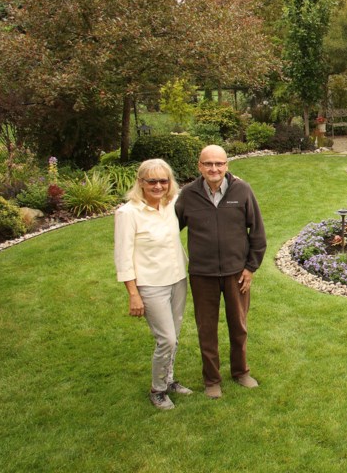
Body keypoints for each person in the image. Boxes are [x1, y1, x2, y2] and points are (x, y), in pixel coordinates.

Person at [176, 145, 267, 399]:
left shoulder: (242, 190)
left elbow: (257, 233)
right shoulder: (188, 195)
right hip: (202, 274)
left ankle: (240, 372)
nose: (213, 169)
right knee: (207, 329)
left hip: (236, 273)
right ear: (199, 166)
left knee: (238, 325)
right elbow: (170, 230)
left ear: (227, 165)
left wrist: (250, 268)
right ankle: (212, 380)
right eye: (208, 164)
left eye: (219, 163)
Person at [114, 159, 192, 411]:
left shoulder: (171, 204)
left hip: (178, 278)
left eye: (163, 180)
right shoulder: (128, 213)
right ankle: (157, 390)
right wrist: (133, 294)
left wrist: (233, 181)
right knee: (166, 339)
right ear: (141, 183)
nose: (158, 186)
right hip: (151, 284)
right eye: (152, 181)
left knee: (175, 335)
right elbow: (123, 257)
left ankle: (169, 380)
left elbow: (202, 187)